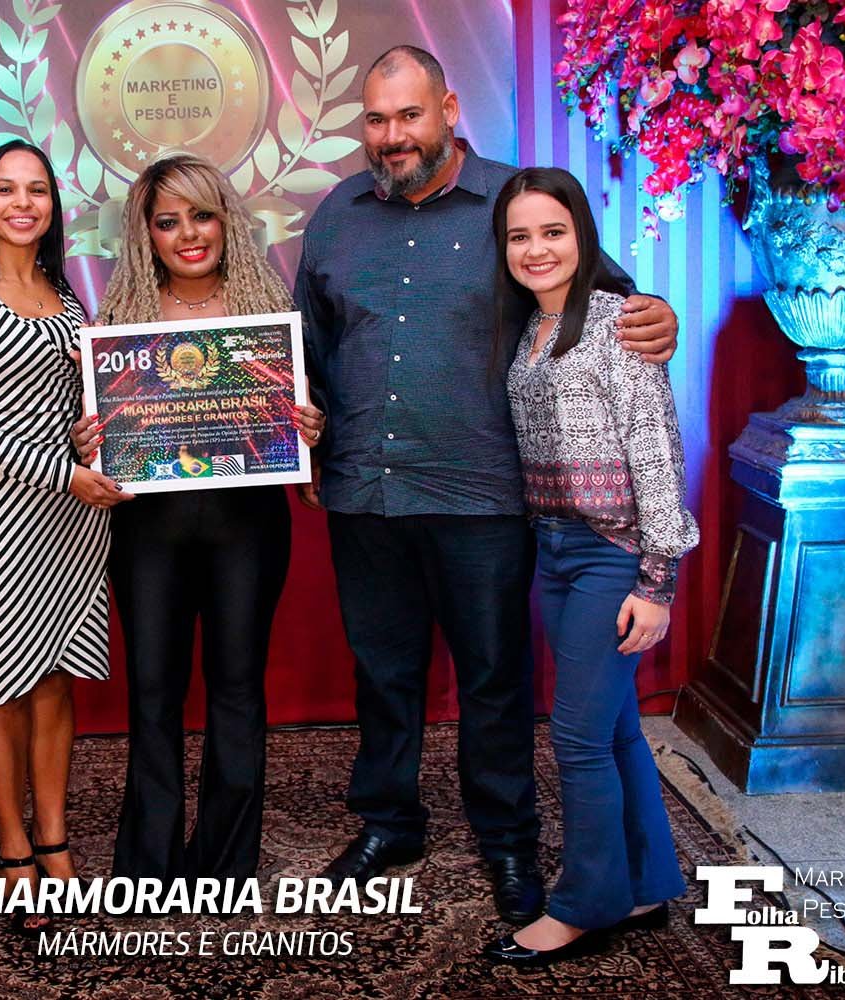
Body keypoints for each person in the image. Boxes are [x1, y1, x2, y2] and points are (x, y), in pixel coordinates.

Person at [294, 45, 678, 924]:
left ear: (449, 108)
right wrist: (300, 436)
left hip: (486, 497)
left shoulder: (515, 204)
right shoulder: (338, 213)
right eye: (377, 119)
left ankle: (507, 840)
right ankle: (389, 824)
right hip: (364, 490)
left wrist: (659, 316)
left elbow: (607, 303)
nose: (392, 135)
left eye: (410, 115)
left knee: (495, 681)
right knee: (382, 672)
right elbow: (309, 345)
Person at [71, 153, 325, 882]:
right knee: (153, 691)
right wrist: (88, 440)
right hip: (147, 532)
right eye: (168, 221)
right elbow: (92, 439)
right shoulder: (119, 322)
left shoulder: (267, 314)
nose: (188, 234)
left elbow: (297, 428)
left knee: (237, 688)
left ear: (227, 222)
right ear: (145, 235)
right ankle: (148, 865)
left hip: (247, 525)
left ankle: (226, 863)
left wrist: (309, 425)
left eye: (202, 215)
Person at [482, 166, 695, 965]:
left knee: (575, 738)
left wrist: (657, 581)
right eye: (519, 236)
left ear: (582, 234)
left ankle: (583, 904)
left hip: (613, 551)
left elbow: (657, 450)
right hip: (556, 547)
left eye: (553, 231)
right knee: (615, 729)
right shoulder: (531, 328)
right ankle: (645, 882)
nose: (536, 249)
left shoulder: (618, 323)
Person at [0, 140, 128, 934]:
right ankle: (12, 847)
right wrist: (61, 471)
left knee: (56, 683)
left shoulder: (67, 297)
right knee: (2, 688)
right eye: (6, 189)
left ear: (52, 205)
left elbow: (77, 411)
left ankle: (54, 839)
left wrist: (91, 437)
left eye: (36, 190)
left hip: (73, 525)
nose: (22, 204)